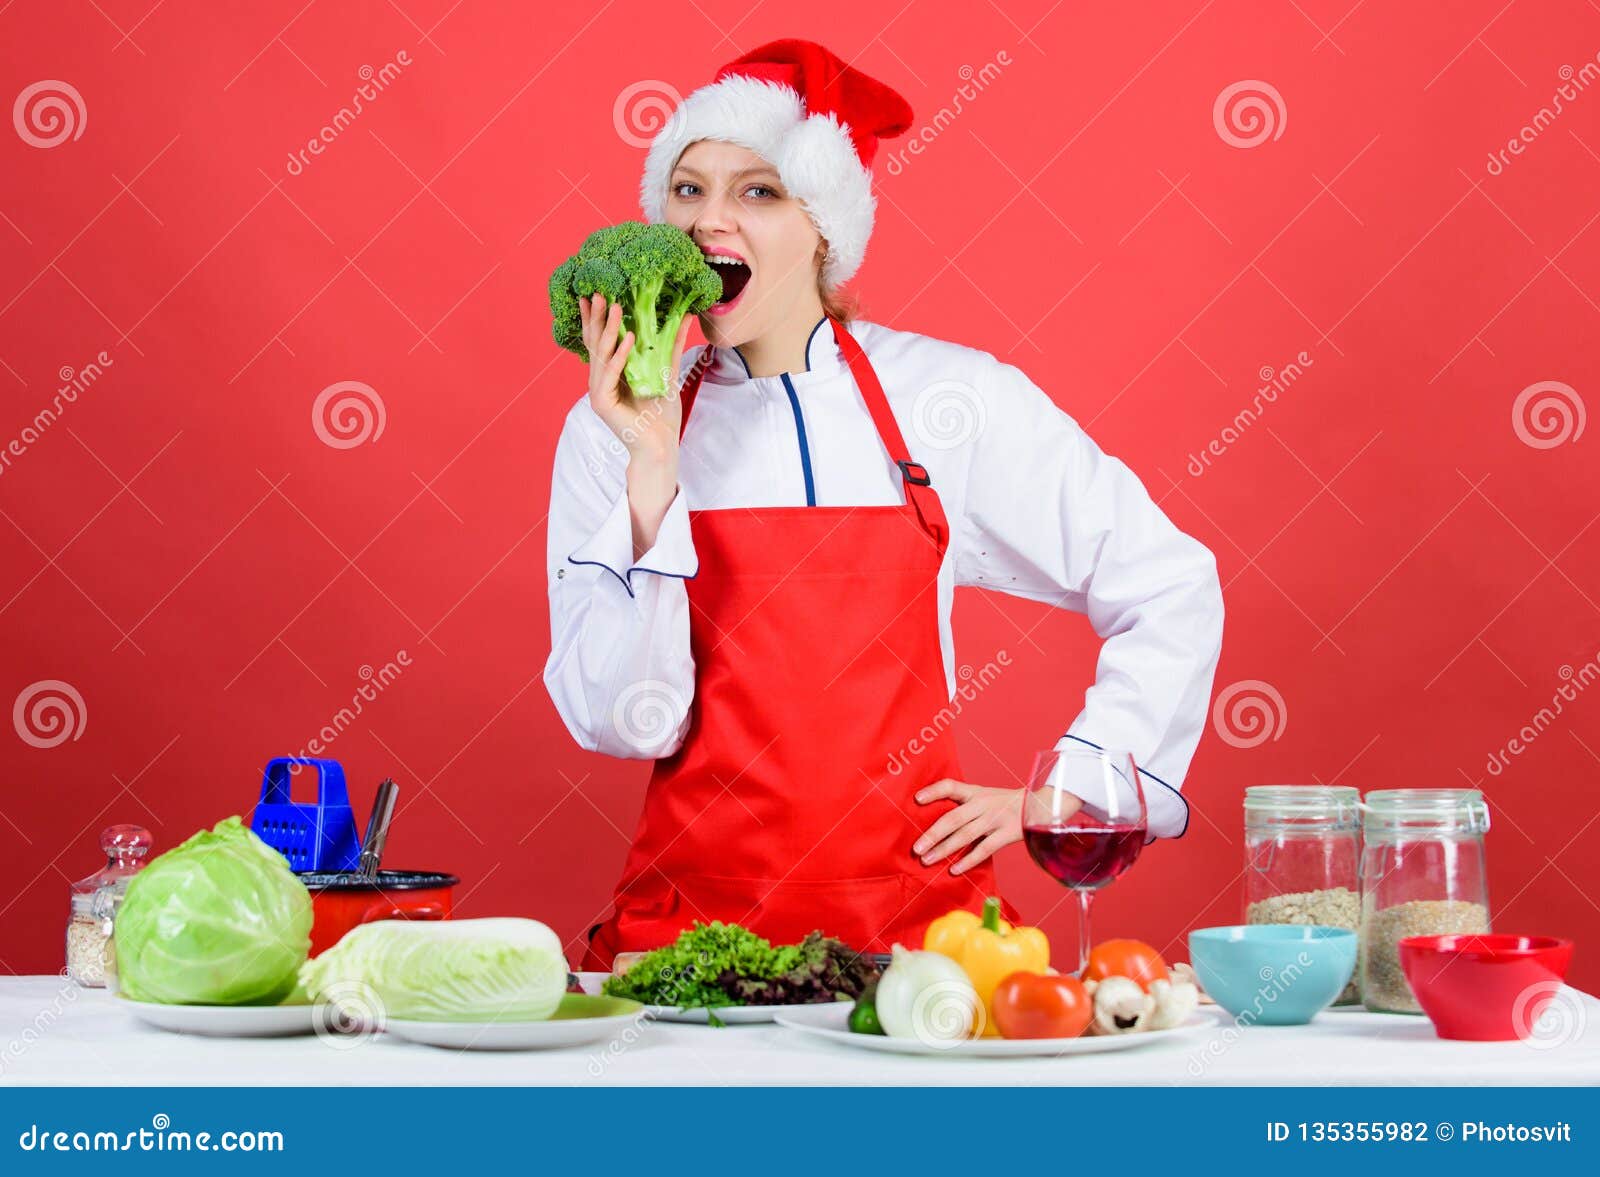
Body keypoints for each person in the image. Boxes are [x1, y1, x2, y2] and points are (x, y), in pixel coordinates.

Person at [543, 40, 1224, 970]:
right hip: (685, 947)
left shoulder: (953, 401)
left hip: (921, 946)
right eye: (688, 189)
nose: (708, 223)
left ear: (825, 225)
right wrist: (652, 474)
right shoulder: (609, 432)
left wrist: (1075, 789)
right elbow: (630, 722)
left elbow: (1169, 582)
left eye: (758, 192)